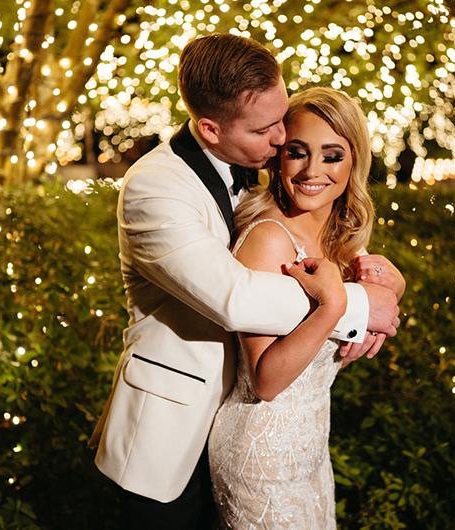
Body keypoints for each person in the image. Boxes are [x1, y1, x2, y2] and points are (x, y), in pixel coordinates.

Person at [88, 34, 402, 530]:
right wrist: (356, 304)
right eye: (267, 129)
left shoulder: (256, 165)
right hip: (174, 430)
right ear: (211, 129)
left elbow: (324, 239)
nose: (281, 140)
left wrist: (385, 280)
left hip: (267, 431)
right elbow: (237, 299)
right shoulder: (155, 189)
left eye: (282, 120)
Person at [208, 87, 404, 529]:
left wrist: (395, 289)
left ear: (354, 163)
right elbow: (266, 381)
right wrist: (334, 304)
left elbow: (366, 314)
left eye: (332, 156)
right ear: (280, 157)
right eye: (298, 152)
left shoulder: (339, 239)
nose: (312, 170)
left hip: (311, 446)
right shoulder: (269, 240)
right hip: (262, 453)